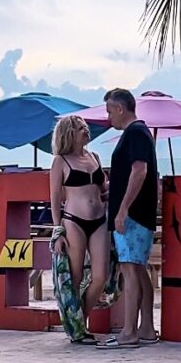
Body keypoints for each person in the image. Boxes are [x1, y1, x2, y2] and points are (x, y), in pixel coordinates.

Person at [102, 87, 159, 349]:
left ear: (120, 108)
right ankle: (146, 327)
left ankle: (129, 331)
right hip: (141, 213)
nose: (108, 117)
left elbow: (140, 171)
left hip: (134, 214)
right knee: (138, 269)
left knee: (129, 268)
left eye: (109, 111)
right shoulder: (142, 132)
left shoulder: (134, 133)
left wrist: (123, 208)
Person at [49, 116, 110, 335]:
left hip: (99, 219)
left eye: (85, 127)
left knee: (101, 276)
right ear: (69, 133)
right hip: (74, 221)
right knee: (74, 278)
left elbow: (103, 188)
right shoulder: (60, 161)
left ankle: (78, 322)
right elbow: (55, 199)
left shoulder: (94, 157)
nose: (86, 130)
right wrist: (58, 232)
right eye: (80, 128)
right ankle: (78, 329)